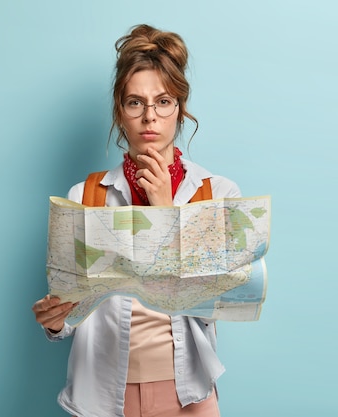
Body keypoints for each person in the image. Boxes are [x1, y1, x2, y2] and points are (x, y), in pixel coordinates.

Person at [31, 24, 241, 417]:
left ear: (180, 108)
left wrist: (164, 209)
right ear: (120, 112)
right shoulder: (85, 197)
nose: (150, 117)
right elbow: (70, 314)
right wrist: (57, 321)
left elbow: (217, 301)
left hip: (189, 397)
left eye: (163, 102)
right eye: (135, 103)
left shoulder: (218, 194)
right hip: (104, 397)